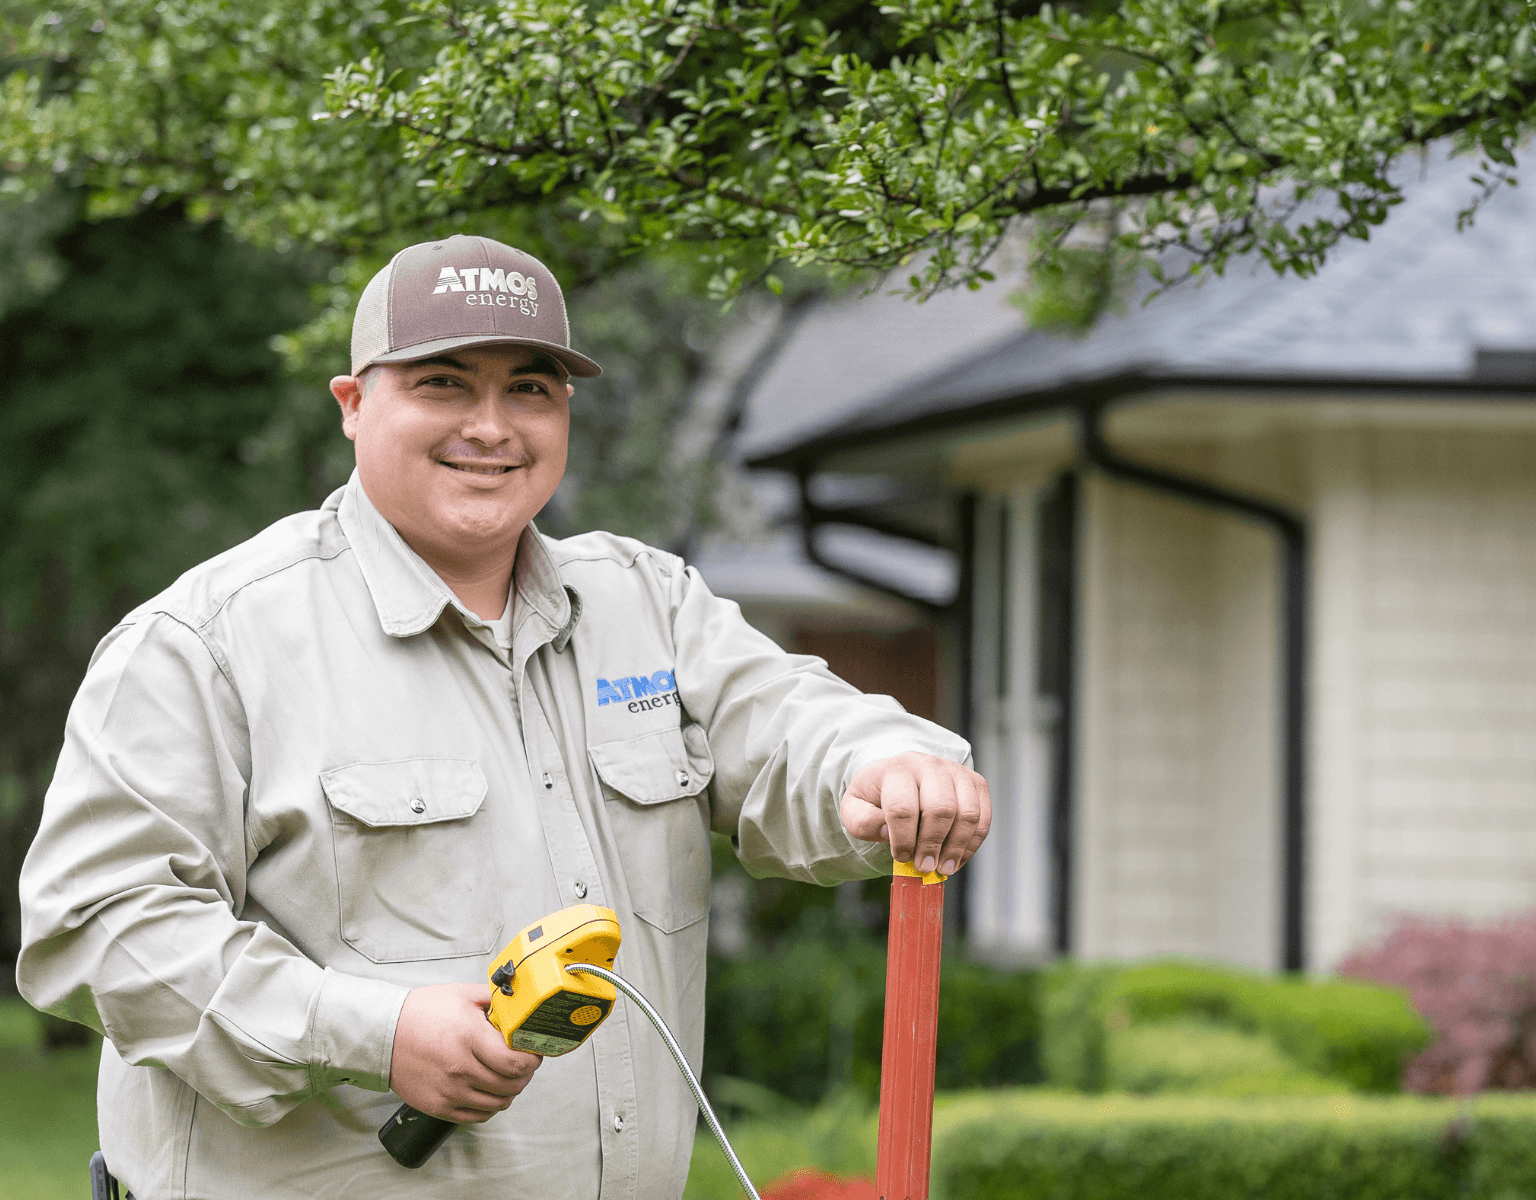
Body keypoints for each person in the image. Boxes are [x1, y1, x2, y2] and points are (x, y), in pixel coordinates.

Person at [16, 234, 989, 1200]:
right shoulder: (211, 642)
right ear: (353, 406)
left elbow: (788, 724)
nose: (492, 425)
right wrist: (375, 1033)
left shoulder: (646, 605)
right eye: (443, 383)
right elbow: (96, 924)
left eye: (530, 387)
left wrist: (886, 761)